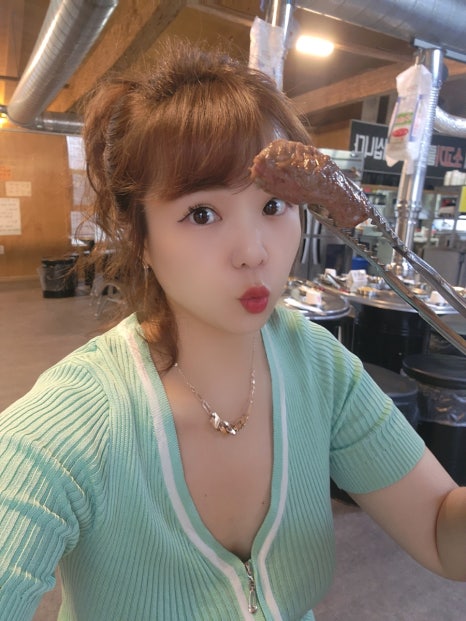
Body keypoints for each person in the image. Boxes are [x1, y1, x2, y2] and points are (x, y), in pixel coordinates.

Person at [0, 39, 465, 621]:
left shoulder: (319, 368)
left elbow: (439, 528)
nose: (253, 252)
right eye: (202, 213)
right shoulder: (73, 426)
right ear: (139, 237)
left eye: (273, 207)